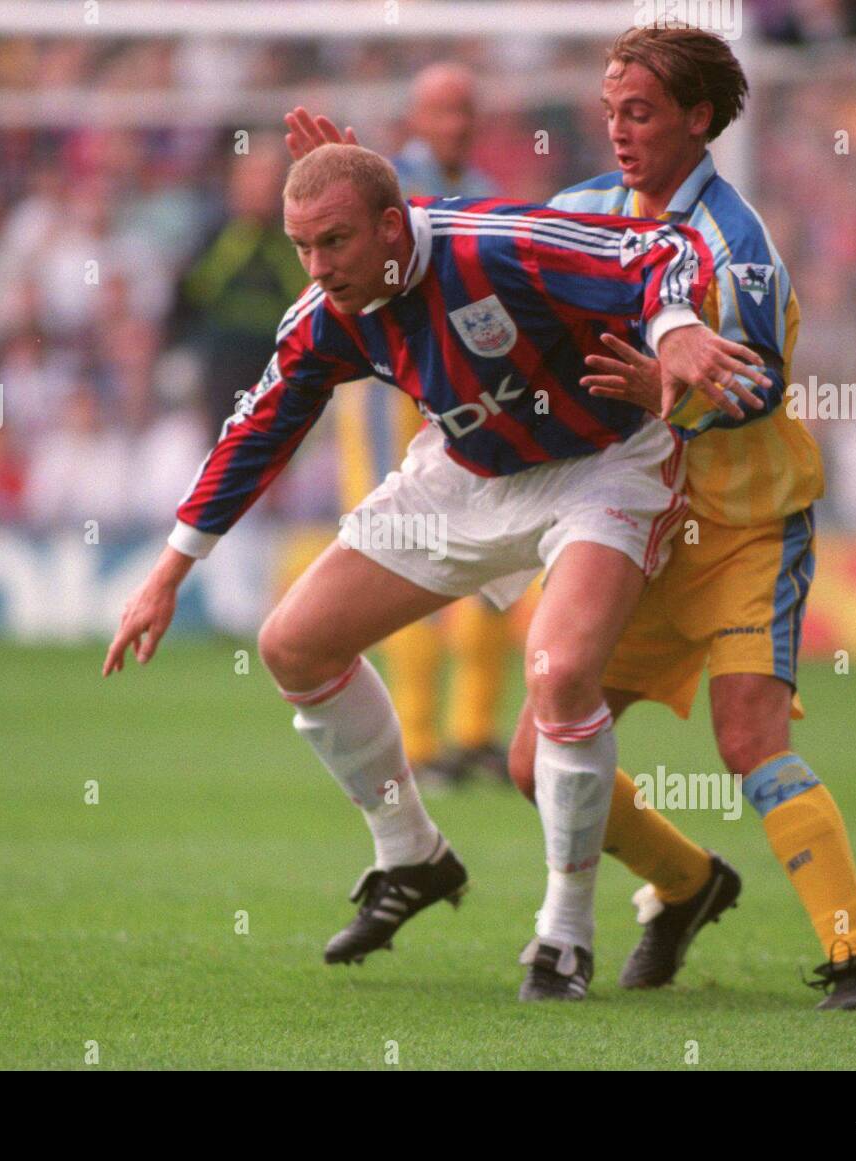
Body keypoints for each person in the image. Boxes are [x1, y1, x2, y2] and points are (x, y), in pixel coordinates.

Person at [285, 23, 856, 1013]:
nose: (617, 130)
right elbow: (478, 246)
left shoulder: (736, 247)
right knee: (537, 757)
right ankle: (687, 883)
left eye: (641, 113)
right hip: (636, 514)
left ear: (698, 119)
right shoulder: (584, 209)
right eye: (611, 110)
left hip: (744, 525)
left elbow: (758, 389)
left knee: (746, 740)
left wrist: (668, 378)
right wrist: (374, 188)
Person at [104, 142, 770, 1000]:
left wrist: (674, 327)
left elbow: (662, 249)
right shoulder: (325, 313)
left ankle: (565, 930)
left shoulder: (492, 243)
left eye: (334, 243)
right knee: (292, 646)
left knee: (560, 673)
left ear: (391, 225)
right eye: (302, 246)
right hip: (465, 472)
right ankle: (410, 853)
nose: (316, 267)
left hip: (603, 464)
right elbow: (255, 433)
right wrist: (168, 573)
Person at [315, 65, 517, 787]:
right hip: (387, 395)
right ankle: (421, 742)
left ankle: (471, 731)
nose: (456, 123)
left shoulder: (492, 193)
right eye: (442, 110)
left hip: (470, 392)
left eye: (465, 109)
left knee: (497, 552)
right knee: (401, 550)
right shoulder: (382, 190)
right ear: (414, 116)